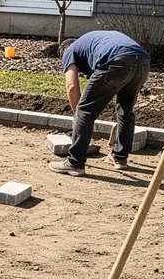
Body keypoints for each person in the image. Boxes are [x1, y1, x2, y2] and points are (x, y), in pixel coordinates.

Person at [49, 30, 150, 177]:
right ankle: (119, 158)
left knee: (84, 110)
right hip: (142, 61)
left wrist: (79, 117)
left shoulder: (69, 50)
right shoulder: (91, 43)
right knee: (125, 110)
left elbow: (71, 86)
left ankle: (75, 162)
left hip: (117, 61)